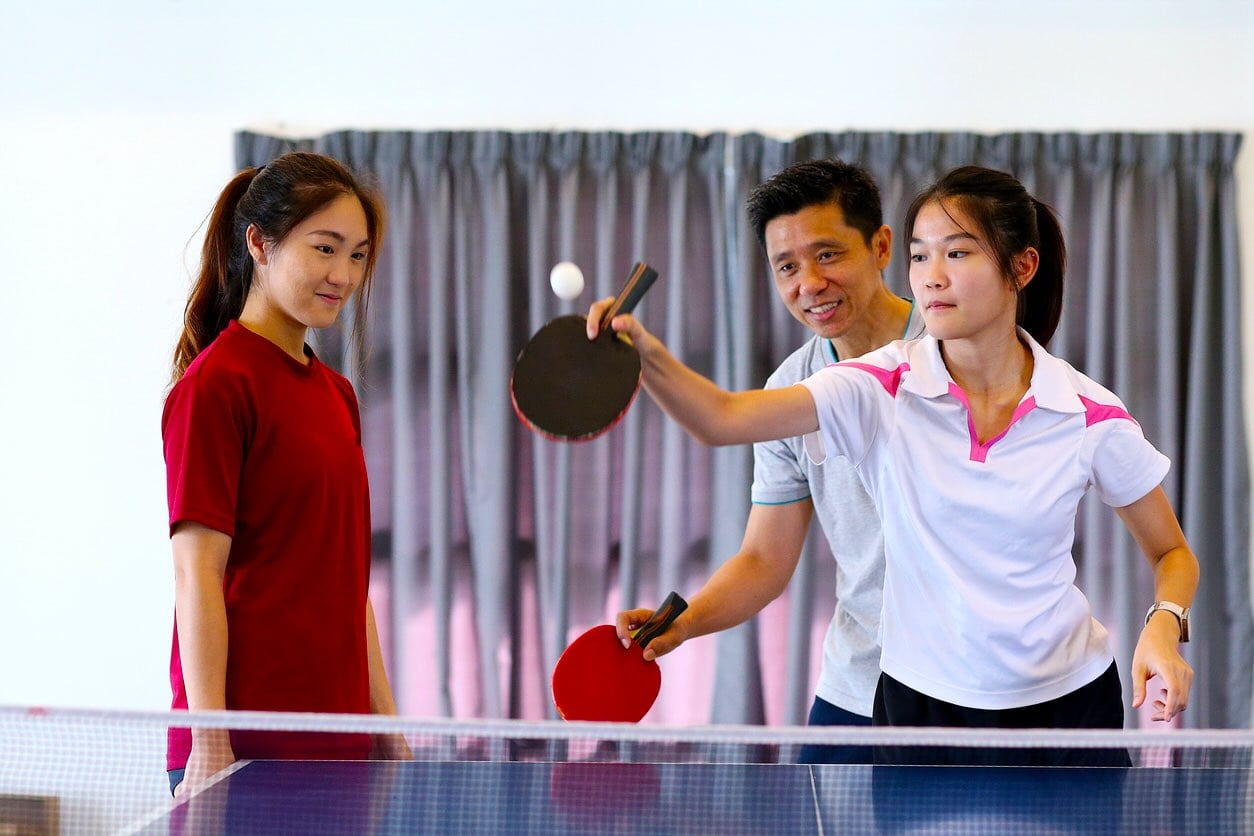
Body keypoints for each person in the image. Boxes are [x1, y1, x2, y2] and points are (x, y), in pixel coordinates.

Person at [593, 165, 1197, 766]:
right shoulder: (866, 385)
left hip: (1055, 696)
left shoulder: (1076, 405)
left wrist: (1164, 623)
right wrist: (643, 353)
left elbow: (1171, 551)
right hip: (895, 687)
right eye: (923, 256)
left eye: (956, 254)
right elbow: (729, 449)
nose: (809, 283)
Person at [608, 159, 924, 762]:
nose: (809, 283)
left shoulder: (957, 354)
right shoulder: (791, 385)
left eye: (828, 254)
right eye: (787, 266)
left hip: (970, 687)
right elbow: (763, 559)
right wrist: (686, 622)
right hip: (859, 686)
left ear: (881, 246)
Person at [163, 152, 410, 796]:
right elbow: (198, 575)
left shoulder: (337, 395)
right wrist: (212, 740)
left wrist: (384, 723)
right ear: (260, 244)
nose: (343, 275)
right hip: (246, 752)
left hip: (337, 746)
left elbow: (347, 581)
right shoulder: (215, 387)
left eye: (357, 255)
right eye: (325, 248)